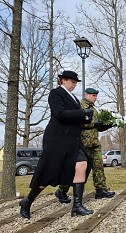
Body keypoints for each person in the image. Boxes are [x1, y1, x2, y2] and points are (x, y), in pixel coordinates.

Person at [19, 70, 94, 219]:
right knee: (48, 172)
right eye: (72, 82)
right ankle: (27, 201)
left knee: (82, 164)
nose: (74, 85)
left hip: (73, 140)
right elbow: (60, 113)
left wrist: (87, 118)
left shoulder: (73, 97)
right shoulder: (56, 93)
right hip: (57, 139)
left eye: (75, 83)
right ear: (63, 80)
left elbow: (75, 118)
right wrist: (81, 113)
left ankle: (77, 207)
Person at [55, 88, 116, 202]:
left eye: (96, 96)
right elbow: (77, 123)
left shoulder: (94, 110)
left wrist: (107, 125)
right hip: (83, 144)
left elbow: (96, 127)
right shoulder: (79, 106)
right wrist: (94, 123)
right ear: (86, 95)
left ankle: (100, 189)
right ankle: (61, 191)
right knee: (77, 170)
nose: (95, 98)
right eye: (93, 95)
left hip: (94, 143)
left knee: (98, 167)